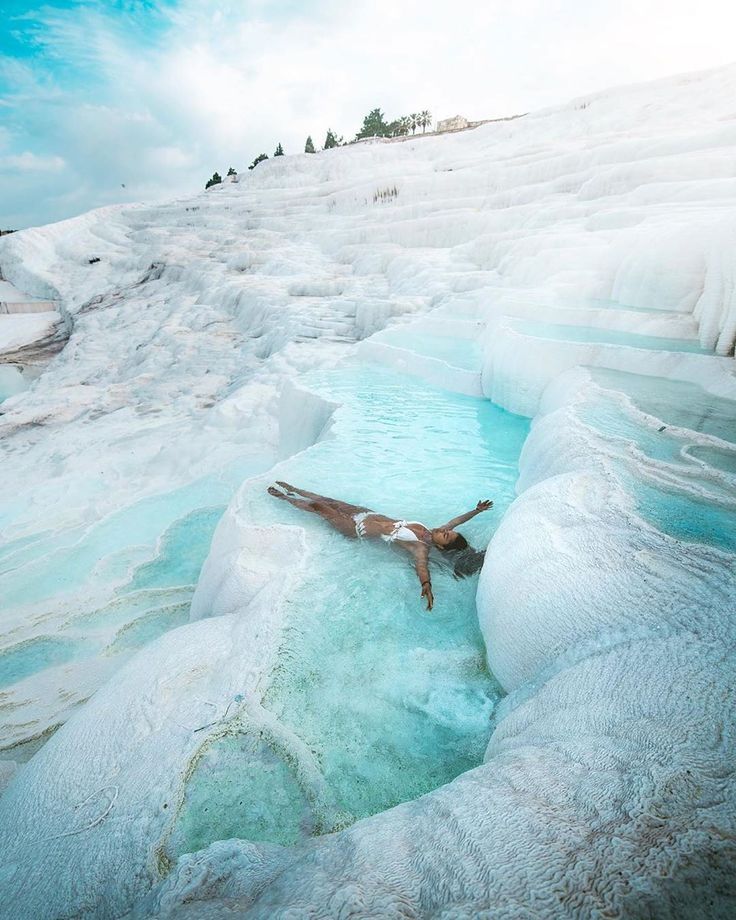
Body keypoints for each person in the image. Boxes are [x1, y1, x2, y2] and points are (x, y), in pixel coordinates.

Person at [268, 481, 492, 611]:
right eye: (448, 532)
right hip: (366, 513)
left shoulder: (420, 547)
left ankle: (285, 499)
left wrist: (426, 585)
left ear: (441, 548)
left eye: (446, 537)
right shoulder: (431, 529)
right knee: (328, 500)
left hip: (354, 528)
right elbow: (456, 521)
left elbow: (421, 566)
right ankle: (293, 490)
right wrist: (476, 510)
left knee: (319, 507)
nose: (445, 531)